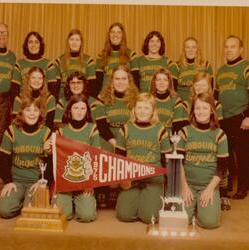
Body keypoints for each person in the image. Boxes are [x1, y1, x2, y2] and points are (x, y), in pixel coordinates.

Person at [115, 93, 171, 224]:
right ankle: (137, 203)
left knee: (149, 218)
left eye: (146, 108)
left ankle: (148, 203)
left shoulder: (160, 130)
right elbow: (119, 158)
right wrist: (122, 180)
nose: (142, 111)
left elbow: (166, 161)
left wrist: (167, 188)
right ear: (134, 109)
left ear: (153, 111)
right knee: (124, 216)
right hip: (132, 179)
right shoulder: (126, 129)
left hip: (153, 179)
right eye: (139, 107)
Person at [178, 93, 229, 229]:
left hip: (208, 185)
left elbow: (222, 167)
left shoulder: (220, 134)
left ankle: (203, 206)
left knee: (209, 223)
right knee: (181, 220)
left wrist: (210, 189)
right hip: (188, 185)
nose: (201, 112)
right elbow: (178, 163)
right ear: (193, 110)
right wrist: (184, 187)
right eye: (198, 108)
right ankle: (194, 206)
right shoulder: (184, 132)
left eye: (205, 108)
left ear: (212, 110)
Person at [92, 65, 138, 208]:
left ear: (129, 81)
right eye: (117, 78)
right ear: (111, 81)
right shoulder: (101, 99)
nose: (120, 81)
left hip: (129, 139)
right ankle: (104, 191)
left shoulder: (136, 99)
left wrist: (124, 144)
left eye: (123, 78)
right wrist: (115, 143)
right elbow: (102, 126)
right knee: (103, 153)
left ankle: (122, 190)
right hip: (108, 138)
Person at [0, 97, 51, 218]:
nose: (32, 114)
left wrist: (42, 182)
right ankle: (21, 200)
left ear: (40, 113)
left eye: (35, 110)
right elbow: (2, 159)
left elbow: (51, 163)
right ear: (21, 112)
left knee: (30, 212)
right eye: (28, 110)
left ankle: (26, 203)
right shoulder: (11, 131)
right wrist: (8, 182)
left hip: (36, 182)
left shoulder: (46, 132)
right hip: (16, 182)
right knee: (5, 211)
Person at [55, 94, 100, 222]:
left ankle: (85, 203)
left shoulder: (92, 129)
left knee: (87, 216)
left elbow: (96, 158)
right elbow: (57, 161)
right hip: (66, 180)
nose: (79, 112)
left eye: (82, 108)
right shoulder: (61, 131)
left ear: (87, 111)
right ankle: (69, 202)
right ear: (69, 110)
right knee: (63, 215)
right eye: (75, 108)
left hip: (84, 181)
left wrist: (90, 184)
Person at [215, 35, 249, 199]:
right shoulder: (220, 70)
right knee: (225, 154)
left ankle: (243, 188)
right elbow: (215, 95)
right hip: (224, 118)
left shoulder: (246, 67)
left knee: (243, 155)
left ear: (241, 49)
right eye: (226, 46)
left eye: (233, 46)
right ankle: (226, 186)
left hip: (241, 116)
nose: (229, 49)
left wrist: (248, 116)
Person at [191, 72, 229, 210]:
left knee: (221, 160)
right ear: (193, 87)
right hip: (193, 137)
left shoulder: (216, 104)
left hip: (211, 137)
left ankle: (223, 195)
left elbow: (219, 126)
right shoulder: (187, 103)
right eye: (197, 85)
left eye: (203, 85)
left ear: (209, 87)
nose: (200, 88)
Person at [10, 31, 58, 102]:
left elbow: (53, 91)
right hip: (24, 104)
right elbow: (14, 90)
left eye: (36, 42)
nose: (33, 45)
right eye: (30, 42)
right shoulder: (19, 64)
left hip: (43, 104)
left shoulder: (49, 64)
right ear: (26, 45)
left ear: (40, 45)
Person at [94, 22, 139, 97]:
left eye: (119, 32)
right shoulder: (101, 55)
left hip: (126, 97)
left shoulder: (131, 54)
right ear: (109, 35)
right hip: (106, 96)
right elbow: (98, 82)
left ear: (122, 35)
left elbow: (136, 81)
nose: (115, 35)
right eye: (112, 32)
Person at [55, 29, 96, 99]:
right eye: (72, 39)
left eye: (77, 40)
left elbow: (92, 87)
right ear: (68, 42)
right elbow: (55, 86)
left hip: (82, 101)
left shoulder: (89, 60)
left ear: (81, 43)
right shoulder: (59, 60)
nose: (74, 42)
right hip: (64, 99)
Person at [150, 68, 188, 134]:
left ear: (169, 83)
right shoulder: (149, 100)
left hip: (169, 138)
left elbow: (177, 126)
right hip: (152, 136)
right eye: (159, 80)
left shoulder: (176, 100)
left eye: (165, 80)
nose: (162, 83)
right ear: (154, 82)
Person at [177, 37, 213, 104]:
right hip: (182, 106)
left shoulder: (206, 65)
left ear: (197, 49)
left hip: (201, 106)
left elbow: (211, 90)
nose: (190, 50)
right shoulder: (177, 66)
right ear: (184, 50)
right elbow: (172, 90)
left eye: (193, 47)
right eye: (187, 47)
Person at [0, 23, 16, 146]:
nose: (1, 35)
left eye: (4, 32)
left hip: (4, 100)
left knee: (1, 132)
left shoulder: (12, 56)